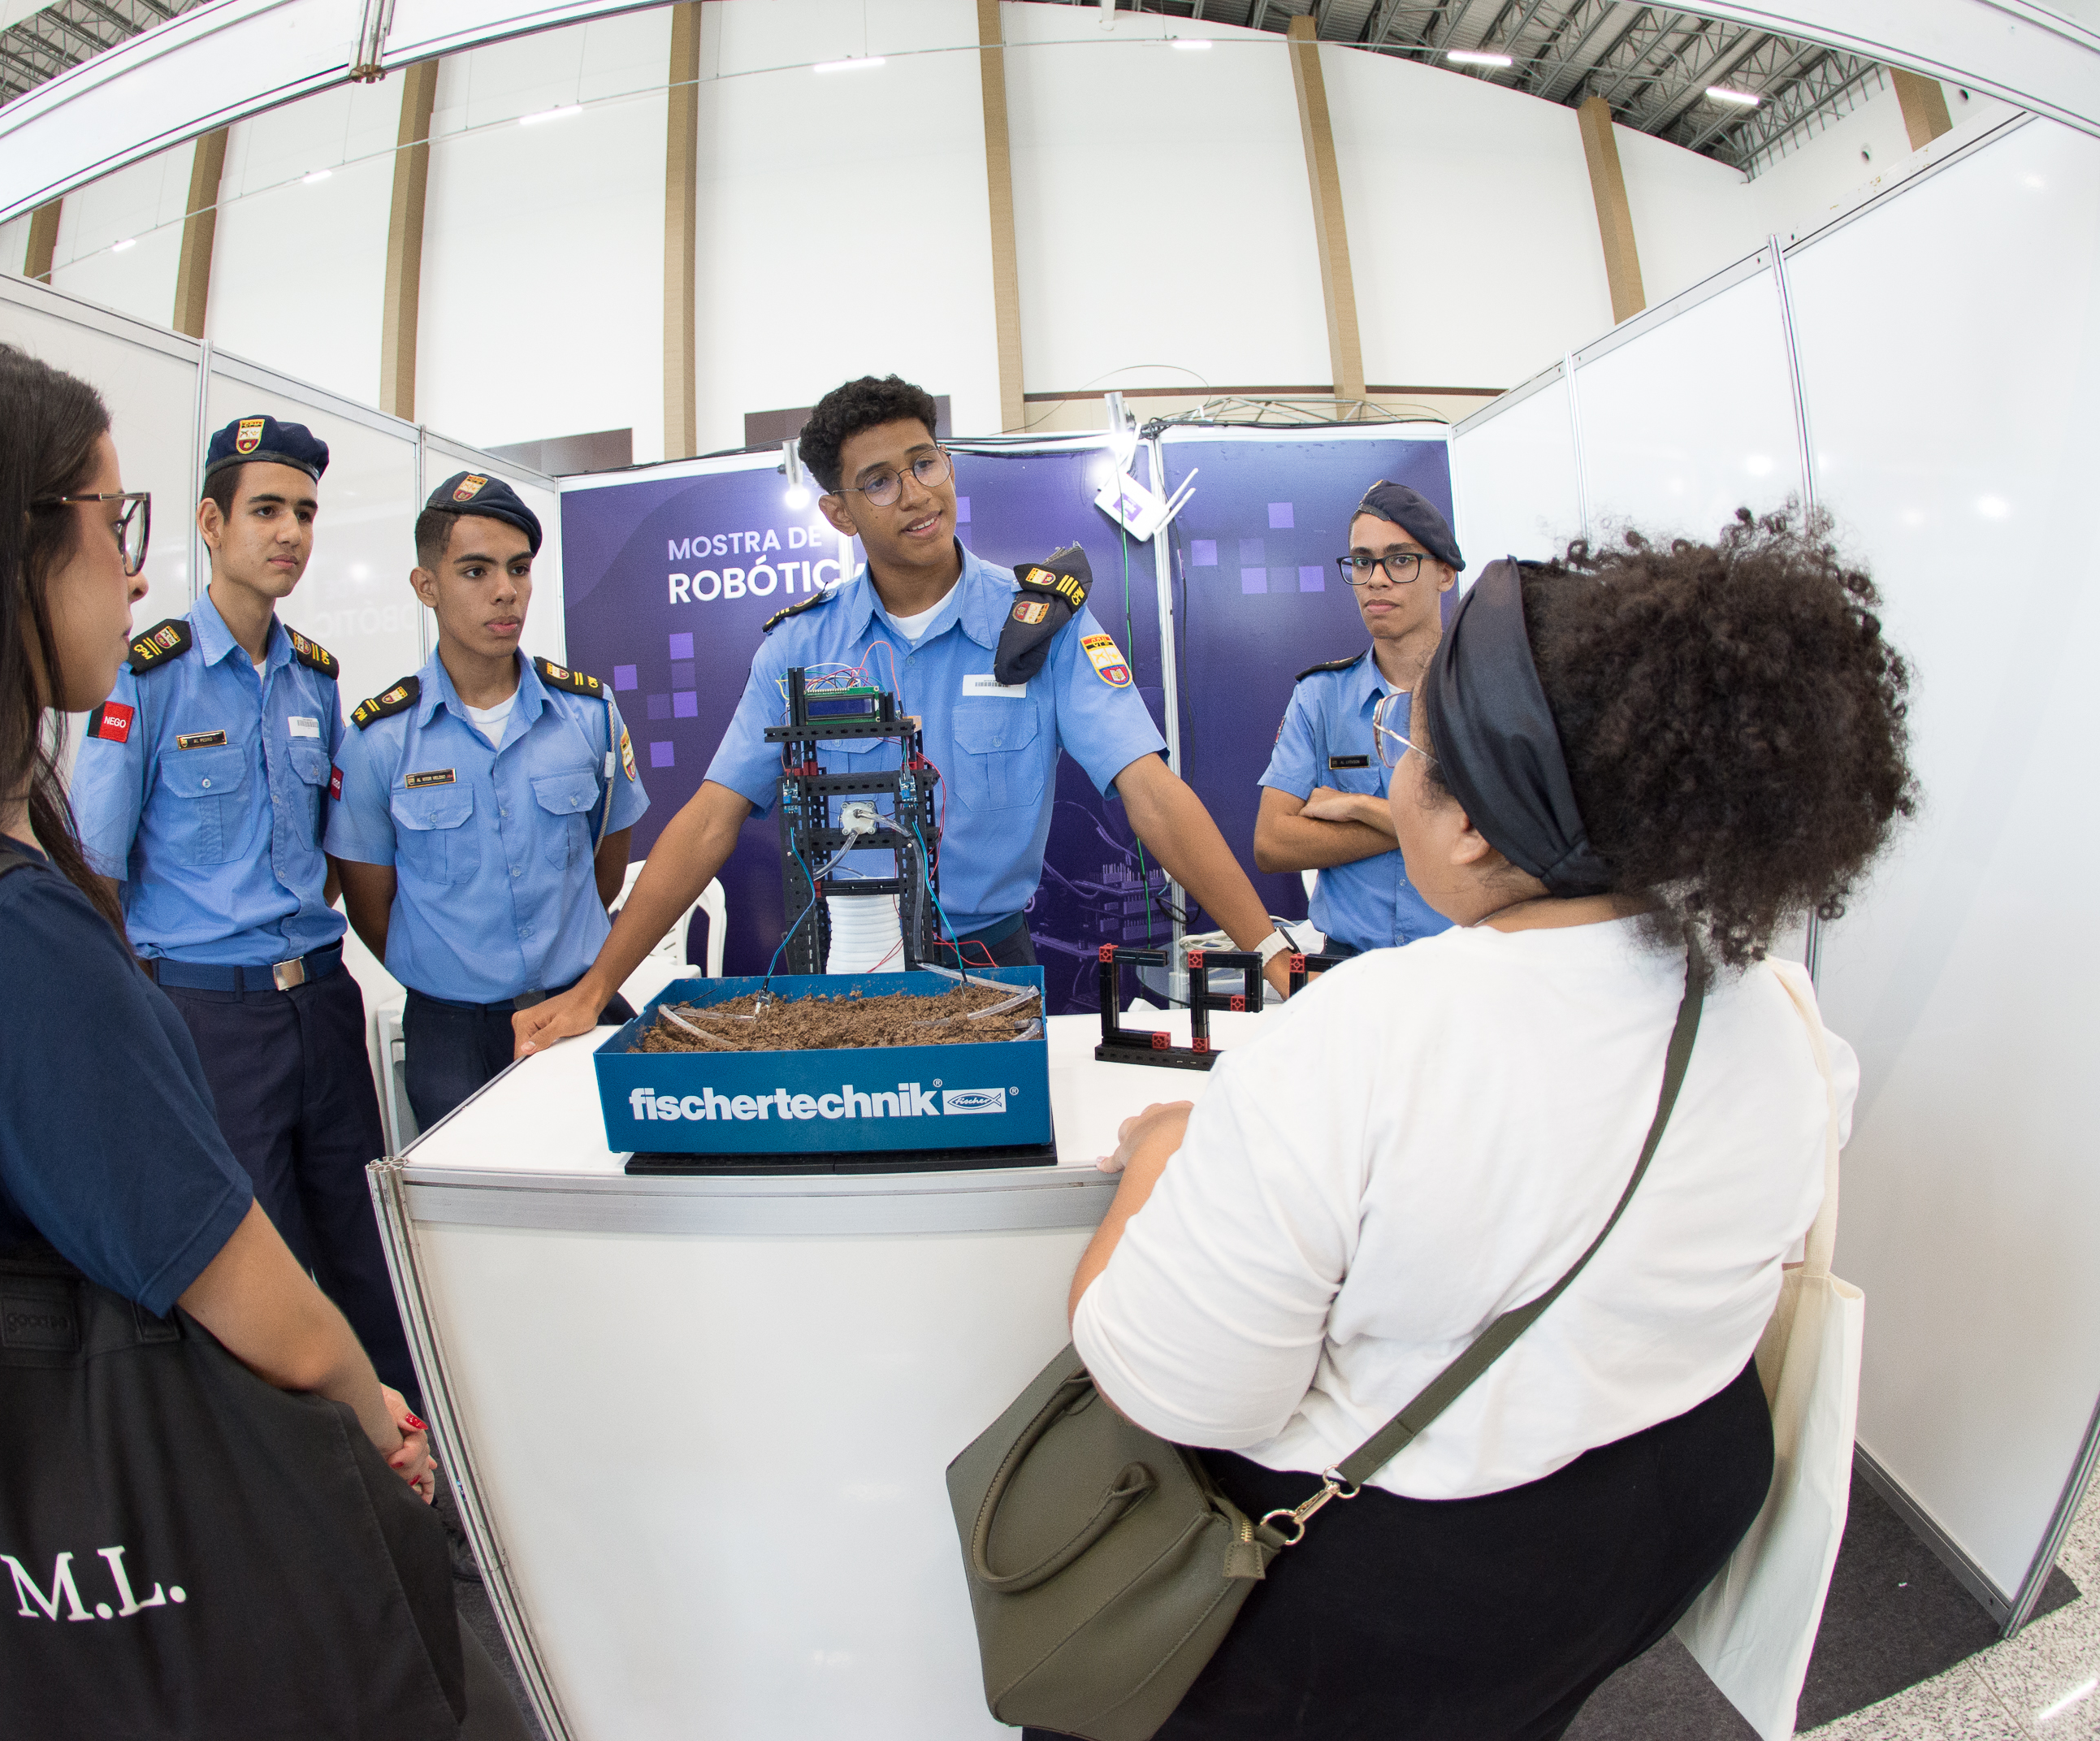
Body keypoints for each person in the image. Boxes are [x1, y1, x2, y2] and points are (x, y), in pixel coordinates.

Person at [1059, 514, 1913, 1741]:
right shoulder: (1776, 1008)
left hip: (1407, 1594)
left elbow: (1182, 1390)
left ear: (1466, 824)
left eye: (1410, 751)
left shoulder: (1357, 1041)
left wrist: (1158, 1159)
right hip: (1658, 1523)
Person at [0, 340, 522, 1735]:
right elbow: (238, 1284)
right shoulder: (23, 929)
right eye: (111, 520)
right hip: (156, 1522)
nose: (131, 574)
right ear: (12, 547)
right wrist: (372, 1412)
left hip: (298, 1017)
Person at [516, 374, 1301, 1056]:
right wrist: (596, 988)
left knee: (999, 1156)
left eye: (925, 462)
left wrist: (1270, 952)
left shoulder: (1043, 624)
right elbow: (708, 821)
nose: (918, 493)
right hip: (844, 971)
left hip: (990, 965)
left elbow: (1151, 792)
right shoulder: (800, 647)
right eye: (881, 481)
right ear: (839, 513)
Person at [68, 414, 415, 1407]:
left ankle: (406, 1458)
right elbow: (96, 870)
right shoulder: (147, 675)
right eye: (266, 510)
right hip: (209, 1017)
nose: (291, 532)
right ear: (212, 523)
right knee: (253, 1277)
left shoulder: (316, 678)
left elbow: (333, 851)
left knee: (365, 1254)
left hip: (322, 1005)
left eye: (304, 511)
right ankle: (287, 1474)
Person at [327, 472, 647, 1128]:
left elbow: (607, 868)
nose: (506, 591)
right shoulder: (380, 739)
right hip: (452, 1035)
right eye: (476, 571)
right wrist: (456, 974)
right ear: (426, 585)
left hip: (578, 1008)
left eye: (519, 569)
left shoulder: (587, 714)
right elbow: (371, 907)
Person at [1252, 480, 1461, 957]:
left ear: (1445, 573)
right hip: (1348, 964)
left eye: (1401, 560)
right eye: (1363, 561)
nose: (1376, 579)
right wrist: (1435, 828)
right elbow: (1273, 844)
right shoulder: (1320, 697)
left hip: (1461, 966)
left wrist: (1359, 807)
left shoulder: (1486, 694)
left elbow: (1508, 842)